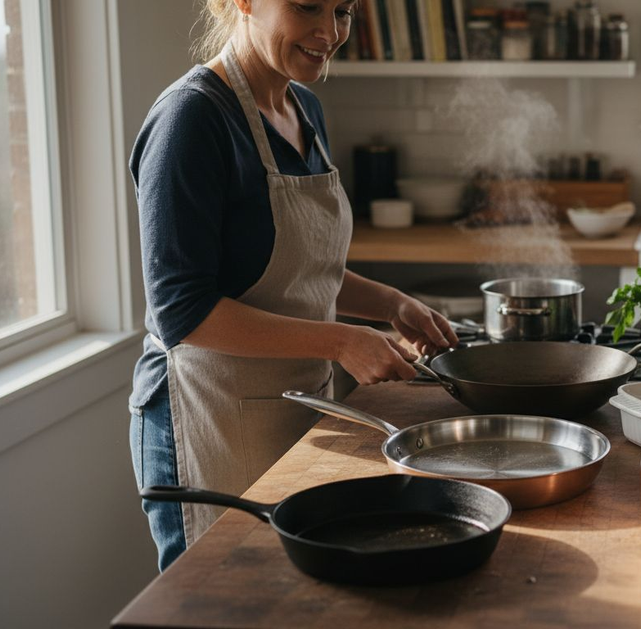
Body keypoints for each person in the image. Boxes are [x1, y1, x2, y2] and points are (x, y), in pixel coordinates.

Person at [127, 0, 457, 571]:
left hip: (297, 407)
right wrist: (340, 342)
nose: (330, 32)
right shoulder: (191, 119)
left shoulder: (304, 108)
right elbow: (183, 312)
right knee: (219, 600)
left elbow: (299, 269)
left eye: (344, 10)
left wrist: (391, 304)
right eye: (307, 6)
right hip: (208, 419)